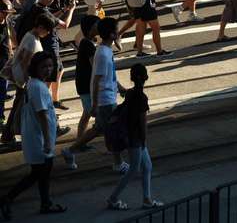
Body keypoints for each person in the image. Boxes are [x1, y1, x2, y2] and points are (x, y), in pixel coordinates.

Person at [0, 52, 66, 220]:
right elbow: (42, 115)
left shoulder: (35, 84)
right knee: (39, 174)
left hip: (37, 137)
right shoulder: (37, 87)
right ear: (35, 68)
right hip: (39, 139)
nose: (48, 69)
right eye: (44, 66)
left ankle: (45, 203)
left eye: (50, 66)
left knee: (41, 174)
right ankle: (7, 199)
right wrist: (48, 142)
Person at [62, 18, 129, 173]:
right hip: (105, 99)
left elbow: (108, 75)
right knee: (113, 130)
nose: (119, 33)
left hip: (108, 96)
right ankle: (118, 163)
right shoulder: (103, 53)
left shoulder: (104, 50)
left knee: (100, 128)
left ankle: (70, 150)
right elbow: (96, 80)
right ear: (111, 34)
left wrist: (119, 88)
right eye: (117, 31)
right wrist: (94, 104)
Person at [107, 64, 164, 210]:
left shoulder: (130, 93)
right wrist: (144, 140)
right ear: (146, 77)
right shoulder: (142, 98)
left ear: (132, 78)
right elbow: (142, 123)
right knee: (134, 169)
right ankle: (113, 198)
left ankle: (147, 199)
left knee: (147, 166)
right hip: (136, 138)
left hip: (129, 135)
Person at [17, 0, 76, 111]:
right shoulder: (43, 11)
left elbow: (51, 18)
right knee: (49, 77)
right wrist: (71, 10)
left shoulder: (36, 7)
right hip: (50, 46)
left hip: (47, 45)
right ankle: (44, 104)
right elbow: (65, 25)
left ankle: (55, 100)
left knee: (59, 70)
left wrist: (64, 10)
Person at [0, 13, 55, 145]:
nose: (47, 33)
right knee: (19, 108)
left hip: (23, 79)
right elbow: (25, 62)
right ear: (40, 27)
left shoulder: (30, 35)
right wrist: (26, 81)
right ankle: (8, 135)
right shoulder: (32, 40)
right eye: (47, 30)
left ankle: (8, 135)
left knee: (17, 106)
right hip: (24, 80)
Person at [75, 15, 99, 140]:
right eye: (97, 24)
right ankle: (80, 142)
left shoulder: (86, 42)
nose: (99, 26)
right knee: (92, 113)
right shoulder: (88, 45)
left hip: (84, 84)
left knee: (87, 113)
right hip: (86, 85)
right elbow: (96, 68)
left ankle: (80, 140)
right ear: (90, 28)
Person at [0, 0, 15, 128]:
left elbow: (10, 38)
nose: (6, 15)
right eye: (4, 12)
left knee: (2, 93)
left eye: (8, 13)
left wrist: (12, 52)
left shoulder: (8, 22)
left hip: (5, 63)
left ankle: (1, 118)